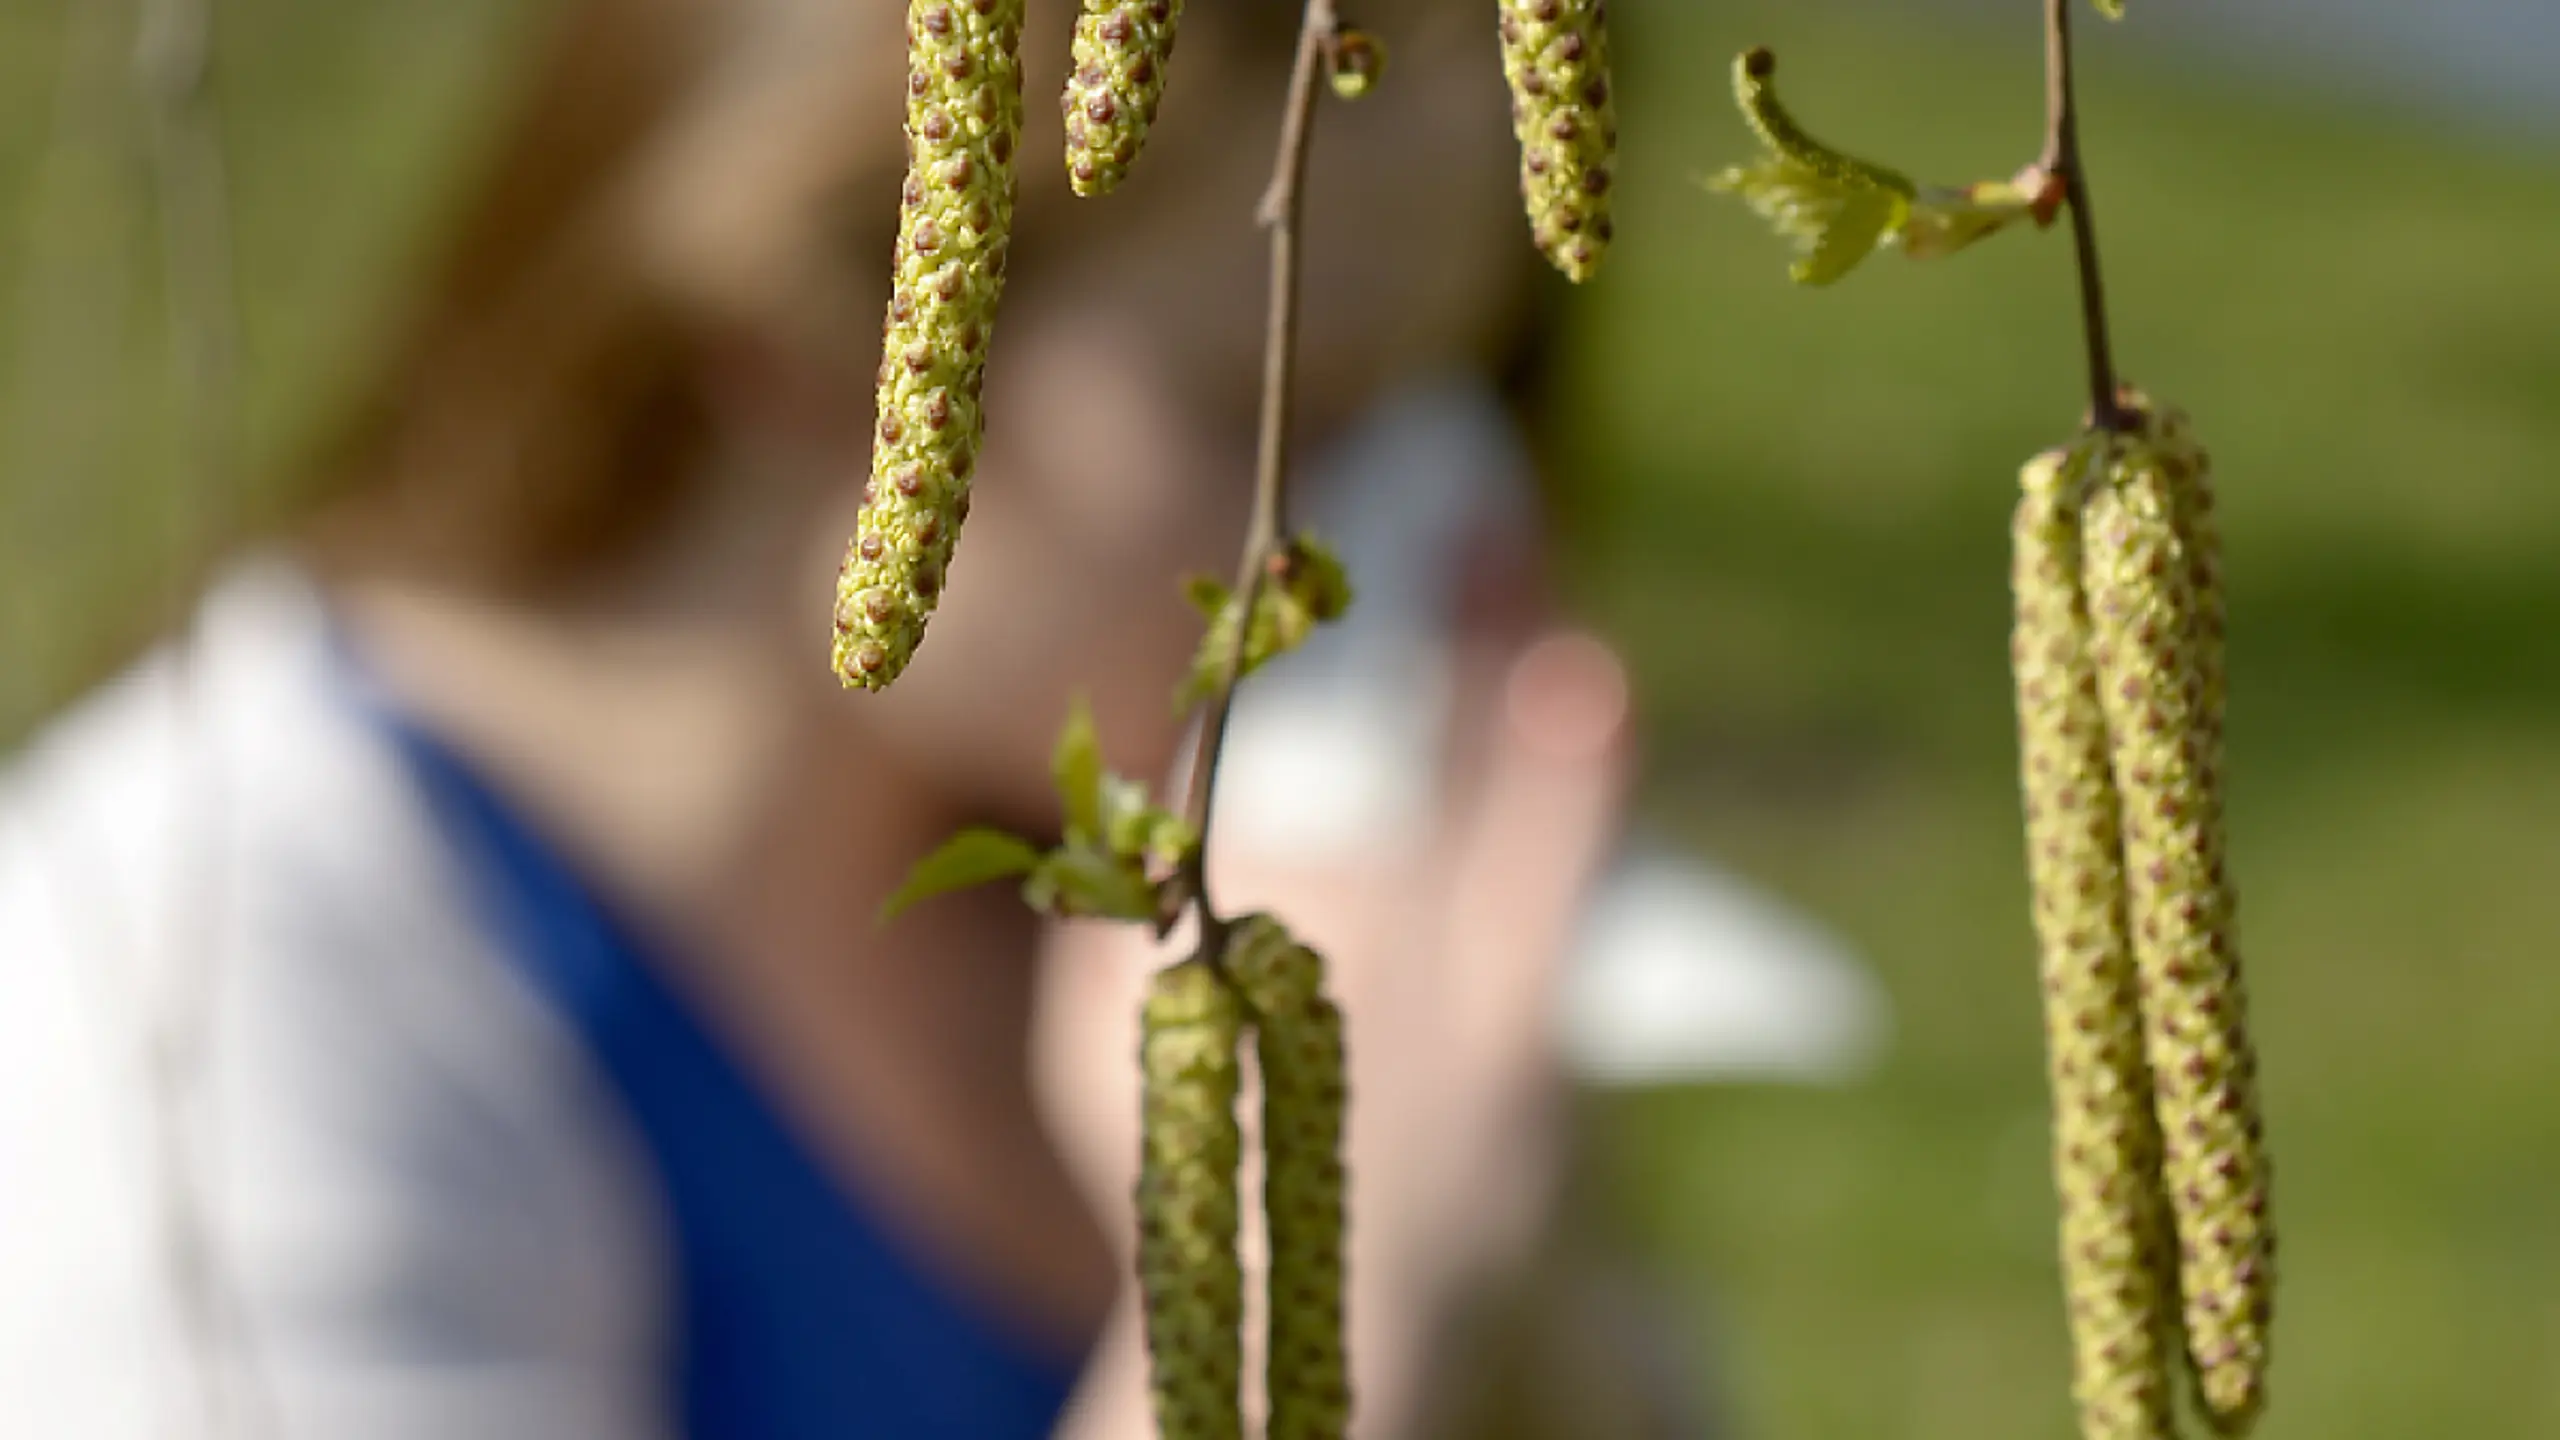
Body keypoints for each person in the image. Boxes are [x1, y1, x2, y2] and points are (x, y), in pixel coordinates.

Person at [0, 1, 1646, 1436]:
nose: (1435, 535)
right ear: (806, 345)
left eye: (1465, 405)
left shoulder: (1126, 885)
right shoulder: (214, 1007)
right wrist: (1304, 1313)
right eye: (1282, 404)